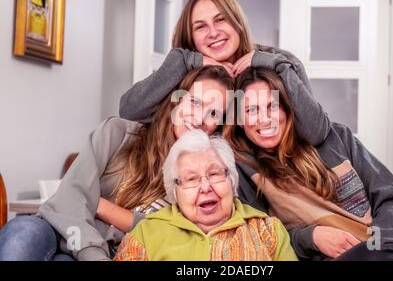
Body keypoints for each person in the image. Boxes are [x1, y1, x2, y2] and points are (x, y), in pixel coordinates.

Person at [0, 65, 234, 261]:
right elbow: (71, 197)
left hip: (111, 251)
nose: (201, 118)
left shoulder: (205, 176)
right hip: (61, 232)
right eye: (195, 102)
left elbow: (165, 230)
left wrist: (99, 204)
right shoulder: (118, 133)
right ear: (177, 101)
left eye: (213, 113)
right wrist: (93, 252)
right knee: (21, 234)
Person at [223, 66, 393, 261]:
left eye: (272, 106)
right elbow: (260, 235)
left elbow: (390, 197)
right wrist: (312, 237)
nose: (264, 119)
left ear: (287, 108)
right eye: (251, 110)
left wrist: (387, 246)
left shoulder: (336, 137)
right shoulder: (244, 170)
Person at [119, 0, 330, 148]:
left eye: (221, 20)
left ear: (237, 22)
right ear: (190, 36)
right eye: (200, 26)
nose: (213, 32)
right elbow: (129, 111)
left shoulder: (278, 61)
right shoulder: (184, 71)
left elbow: (316, 132)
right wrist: (184, 61)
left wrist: (274, 64)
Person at [113, 130, 298, 261]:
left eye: (214, 174)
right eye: (191, 179)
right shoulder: (146, 233)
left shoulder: (268, 230)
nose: (205, 187)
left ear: (231, 179)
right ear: (175, 190)